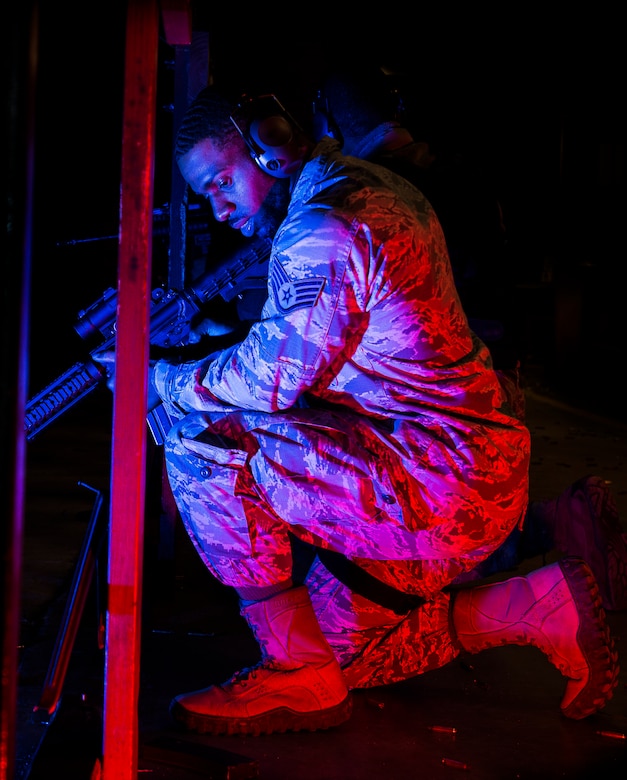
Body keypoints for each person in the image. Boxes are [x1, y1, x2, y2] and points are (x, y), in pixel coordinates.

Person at [95, 85, 618, 736]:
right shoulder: (350, 188)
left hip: (434, 480)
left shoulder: (325, 224)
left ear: (270, 148)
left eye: (220, 182)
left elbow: (272, 378)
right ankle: (532, 604)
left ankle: (290, 667)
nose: (218, 207)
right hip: (445, 469)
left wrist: (162, 380)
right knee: (346, 663)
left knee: (197, 429)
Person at [318, 65, 627, 611]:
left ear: (332, 118)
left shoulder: (368, 189)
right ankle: (563, 520)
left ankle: (551, 551)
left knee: (449, 527)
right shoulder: (461, 171)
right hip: (497, 360)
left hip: (440, 377)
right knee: (482, 504)